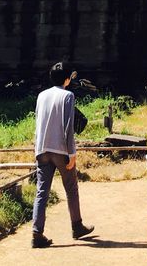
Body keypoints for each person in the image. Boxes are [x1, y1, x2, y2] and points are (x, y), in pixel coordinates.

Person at [31, 62, 93, 248]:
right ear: (67, 80)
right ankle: (77, 226)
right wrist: (72, 153)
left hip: (42, 149)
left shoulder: (42, 95)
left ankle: (37, 233)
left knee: (42, 191)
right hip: (60, 150)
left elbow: (38, 123)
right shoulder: (68, 96)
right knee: (71, 188)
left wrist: (36, 149)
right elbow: (68, 127)